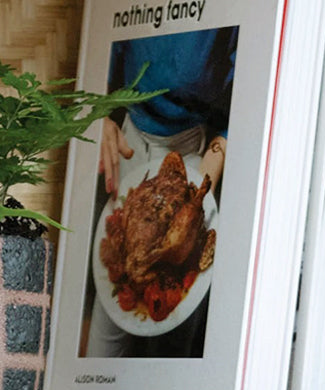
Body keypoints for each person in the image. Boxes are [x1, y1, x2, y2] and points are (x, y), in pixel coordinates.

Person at [82, 27, 238, 359]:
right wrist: (99, 114)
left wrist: (207, 174)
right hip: (128, 139)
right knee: (109, 317)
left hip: (195, 151)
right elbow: (104, 55)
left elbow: (247, 92)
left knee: (178, 326)